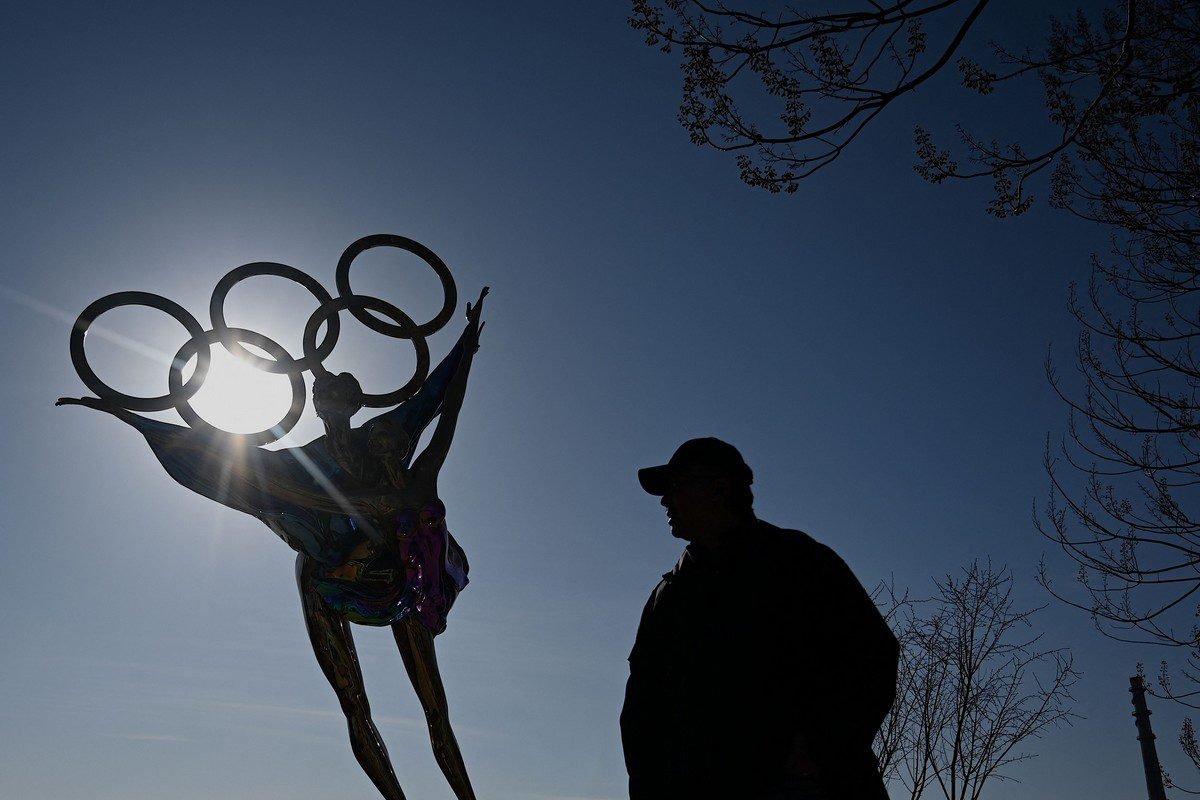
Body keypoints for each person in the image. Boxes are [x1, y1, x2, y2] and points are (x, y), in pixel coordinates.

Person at [57, 288, 488, 800]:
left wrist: (466, 344)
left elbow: (436, 401)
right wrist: (127, 413)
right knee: (354, 702)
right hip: (327, 578)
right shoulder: (300, 462)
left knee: (434, 707)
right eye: (325, 394)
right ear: (319, 406)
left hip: (399, 573)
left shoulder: (384, 435)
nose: (332, 400)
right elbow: (217, 454)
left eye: (339, 391)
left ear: (354, 400)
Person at [621, 437, 899, 800]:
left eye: (674, 487)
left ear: (719, 488)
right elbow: (642, 712)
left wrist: (818, 747)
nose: (664, 501)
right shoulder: (667, 598)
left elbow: (872, 654)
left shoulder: (798, 562)